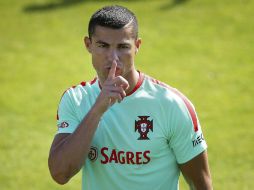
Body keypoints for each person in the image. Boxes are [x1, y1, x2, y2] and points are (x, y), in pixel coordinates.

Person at [48, 5, 213, 190]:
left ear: (137, 46)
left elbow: (201, 183)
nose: (113, 57)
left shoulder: (171, 105)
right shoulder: (75, 100)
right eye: (103, 45)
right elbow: (60, 173)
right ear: (88, 45)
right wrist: (97, 110)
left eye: (123, 47)